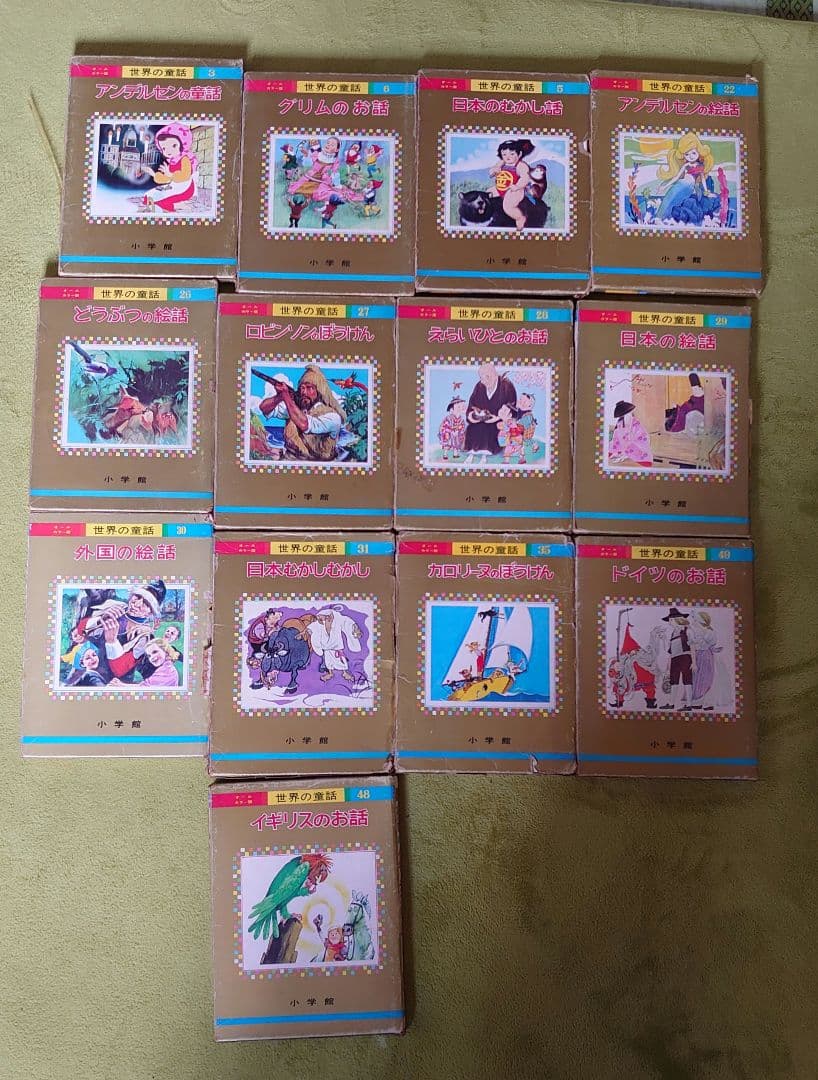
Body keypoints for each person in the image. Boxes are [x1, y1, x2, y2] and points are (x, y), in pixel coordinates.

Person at [258, 367, 345, 461]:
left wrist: (286, 396)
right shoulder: (294, 408)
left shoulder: (333, 417)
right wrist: (280, 397)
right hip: (291, 460)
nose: (304, 392)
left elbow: (304, 424)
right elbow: (264, 408)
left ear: (320, 390)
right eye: (301, 388)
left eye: (309, 387)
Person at [654, 132, 714, 223]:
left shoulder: (700, 167)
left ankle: (666, 219)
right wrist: (665, 186)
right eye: (687, 154)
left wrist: (706, 191)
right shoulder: (686, 165)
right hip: (681, 184)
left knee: (677, 203)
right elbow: (676, 177)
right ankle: (659, 218)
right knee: (669, 199)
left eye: (693, 153)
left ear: (699, 152)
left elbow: (702, 179)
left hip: (689, 188)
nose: (690, 156)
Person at [140, 123, 198, 213]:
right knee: (147, 197)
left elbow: (185, 176)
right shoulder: (171, 162)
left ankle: (177, 205)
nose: (168, 151)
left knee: (158, 201)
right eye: (164, 148)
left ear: (182, 144)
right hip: (173, 186)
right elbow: (167, 179)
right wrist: (153, 174)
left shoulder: (184, 159)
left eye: (174, 145)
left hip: (185, 188)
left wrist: (171, 175)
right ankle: (177, 205)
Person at [464, 362, 517, 459]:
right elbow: (471, 405)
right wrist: (472, 416)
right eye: (481, 378)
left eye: (487, 377)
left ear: (495, 374)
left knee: (492, 429)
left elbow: (512, 407)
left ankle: (488, 452)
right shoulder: (479, 386)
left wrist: (499, 417)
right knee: (472, 428)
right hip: (480, 420)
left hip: (498, 422)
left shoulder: (506, 386)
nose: (484, 381)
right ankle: (472, 451)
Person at [488, 138, 536, 230]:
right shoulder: (502, 163)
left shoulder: (521, 165)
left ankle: (520, 218)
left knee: (508, 206)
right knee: (488, 194)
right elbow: (491, 172)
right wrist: (494, 170)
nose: (508, 157)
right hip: (500, 187)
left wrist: (517, 186)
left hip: (514, 189)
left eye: (512, 154)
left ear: (519, 154)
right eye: (504, 154)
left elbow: (525, 178)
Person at [306, 606, 362, 683]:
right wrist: (308, 630)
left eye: (324, 618)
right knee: (328, 662)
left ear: (329, 616)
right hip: (327, 647)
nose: (323, 620)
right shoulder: (320, 623)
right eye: (321, 619)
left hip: (336, 647)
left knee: (341, 661)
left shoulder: (339, 620)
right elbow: (312, 627)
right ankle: (330, 673)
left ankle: (345, 673)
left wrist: (355, 628)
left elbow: (348, 623)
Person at [662, 608, 696, 710]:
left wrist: (694, 662)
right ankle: (671, 704)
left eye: (671, 620)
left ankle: (689, 705)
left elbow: (693, 647)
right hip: (674, 660)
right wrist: (668, 668)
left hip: (685, 658)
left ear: (678, 619)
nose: (669, 623)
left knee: (687, 681)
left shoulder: (688, 631)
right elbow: (671, 652)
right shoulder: (673, 633)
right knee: (673, 681)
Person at [608, 401, 654, 467]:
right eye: (625, 415)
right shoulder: (619, 423)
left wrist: (626, 453)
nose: (627, 416)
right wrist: (618, 452)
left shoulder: (636, 424)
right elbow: (616, 439)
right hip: (624, 451)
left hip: (637, 449)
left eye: (629, 413)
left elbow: (642, 437)